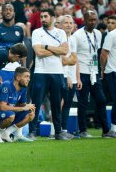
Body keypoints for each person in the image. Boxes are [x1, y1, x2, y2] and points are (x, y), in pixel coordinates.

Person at [72, 10, 116, 138]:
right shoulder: (77, 35)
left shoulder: (98, 33)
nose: (93, 22)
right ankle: (83, 130)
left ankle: (106, 130)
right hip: (82, 72)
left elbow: (97, 53)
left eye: (95, 20)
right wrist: (77, 77)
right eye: (90, 20)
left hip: (94, 72)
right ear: (84, 20)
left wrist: (100, 70)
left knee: (101, 100)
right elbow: (75, 57)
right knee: (83, 102)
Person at [28, 8, 70, 141]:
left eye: (46, 16)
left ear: (52, 17)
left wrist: (46, 47)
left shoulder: (61, 32)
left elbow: (65, 51)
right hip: (41, 72)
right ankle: (32, 132)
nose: (43, 19)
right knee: (36, 103)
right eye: (41, 17)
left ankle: (58, 132)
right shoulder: (36, 32)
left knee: (56, 104)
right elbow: (38, 53)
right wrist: (56, 49)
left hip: (57, 72)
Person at [0, 67, 35, 143]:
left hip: (6, 116)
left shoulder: (23, 88)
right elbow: (3, 107)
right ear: (18, 78)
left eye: (29, 77)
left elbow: (22, 105)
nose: (28, 79)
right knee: (11, 115)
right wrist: (24, 108)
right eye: (26, 76)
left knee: (30, 114)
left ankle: (6, 134)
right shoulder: (7, 85)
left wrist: (28, 107)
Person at [58, 15, 78, 134]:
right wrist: (68, 77)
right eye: (66, 23)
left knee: (67, 105)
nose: (69, 25)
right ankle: (56, 129)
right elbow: (62, 61)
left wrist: (77, 77)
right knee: (59, 104)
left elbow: (74, 59)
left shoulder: (73, 39)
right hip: (63, 76)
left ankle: (64, 129)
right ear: (60, 25)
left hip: (73, 78)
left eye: (71, 22)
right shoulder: (58, 39)